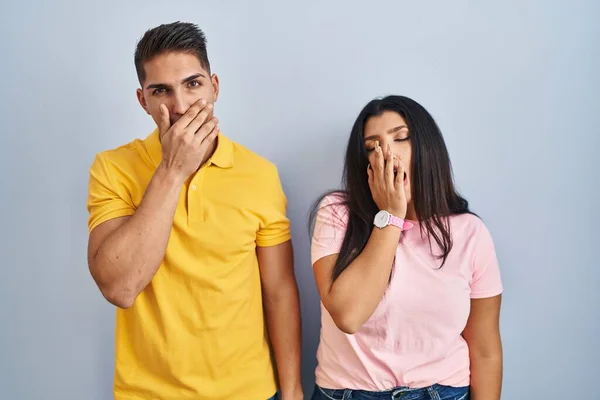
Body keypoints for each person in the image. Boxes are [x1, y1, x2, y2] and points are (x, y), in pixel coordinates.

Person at [86, 21, 303, 400]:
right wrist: (172, 171)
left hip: (250, 391)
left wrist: (293, 390)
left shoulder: (260, 174)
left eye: (193, 84)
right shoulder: (113, 168)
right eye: (161, 91)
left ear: (214, 86)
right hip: (148, 393)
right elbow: (120, 287)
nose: (182, 105)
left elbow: (279, 291)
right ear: (143, 101)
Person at [308, 95, 503, 400]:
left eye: (400, 138)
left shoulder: (470, 233)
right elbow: (348, 315)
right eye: (372, 146)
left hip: (442, 393)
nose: (387, 153)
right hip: (348, 393)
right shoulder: (336, 213)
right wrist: (390, 216)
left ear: (427, 148)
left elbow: (485, 349)